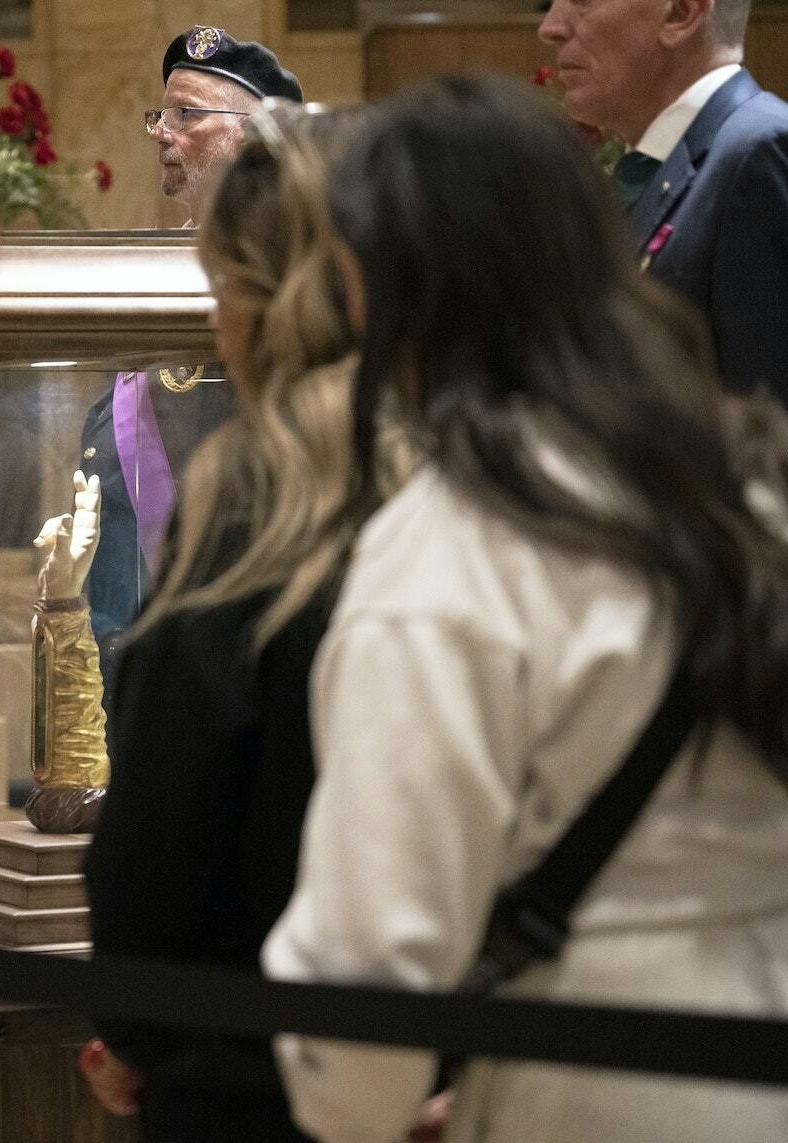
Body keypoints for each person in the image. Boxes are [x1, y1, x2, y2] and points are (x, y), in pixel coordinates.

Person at [262, 75, 788, 1143]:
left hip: (592, 1091)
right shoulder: (750, 476)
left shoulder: (451, 550)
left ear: (388, 286)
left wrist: (360, 1104)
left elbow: (369, 964)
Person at [81, 103, 410, 1141]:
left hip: (258, 1057)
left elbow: (164, 818)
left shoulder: (256, 505)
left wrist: (134, 1031)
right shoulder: (506, 469)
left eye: (223, 287)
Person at [81, 25, 303, 690]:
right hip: (137, 607)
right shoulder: (156, 266)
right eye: (161, 113)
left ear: (257, 133)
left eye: (188, 114)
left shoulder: (293, 271)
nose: (160, 130)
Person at [540, 0, 788, 403]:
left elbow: (769, 423)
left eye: (581, 2)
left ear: (680, 14)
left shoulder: (759, 150)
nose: (550, 27)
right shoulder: (660, 160)